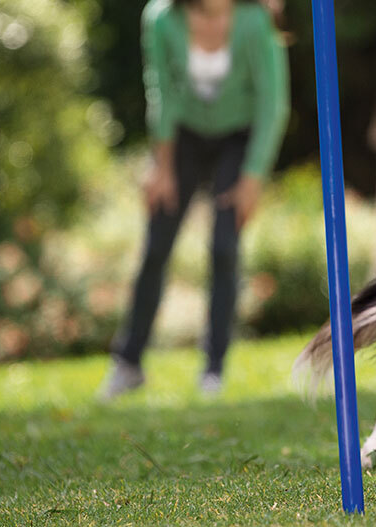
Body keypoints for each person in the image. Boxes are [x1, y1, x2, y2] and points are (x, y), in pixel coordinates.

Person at [98, 0, 289, 400]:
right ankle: (128, 362)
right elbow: (162, 92)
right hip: (182, 138)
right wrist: (161, 167)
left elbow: (273, 104)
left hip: (238, 138)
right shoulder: (162, 19)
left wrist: (252, 178)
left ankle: (214, 369)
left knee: (224, 248)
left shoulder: (254, 21)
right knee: (156, 247)